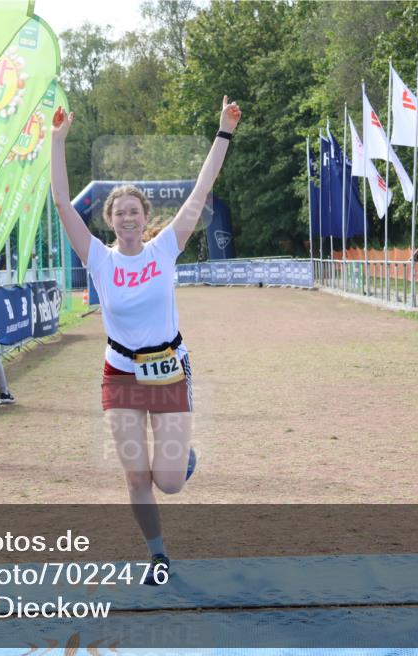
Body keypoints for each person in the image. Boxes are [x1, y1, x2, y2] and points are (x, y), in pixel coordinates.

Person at [50, 95, 241, 584]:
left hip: (169, 368)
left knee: (169, 483)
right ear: (109, 220)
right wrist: (57, 141)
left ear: (145, 216)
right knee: (136, 477)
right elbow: (59, 202)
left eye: (135, 211)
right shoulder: (97, 258)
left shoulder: (164, 249)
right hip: (120, 373)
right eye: (120, 213)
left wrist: (224, 131)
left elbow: (202, 190)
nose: (128, 218)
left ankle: (183, 459)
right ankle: (157, 555)